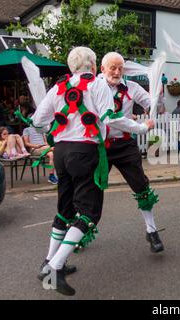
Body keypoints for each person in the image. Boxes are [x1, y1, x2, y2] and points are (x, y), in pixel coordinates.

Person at [33, 47, 146, 296]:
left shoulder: (58, 88)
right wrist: (139, 127)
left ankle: (48, 263)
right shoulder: (97, 85)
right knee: (89, 212)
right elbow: (110, 118)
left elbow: (38, 122)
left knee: (65, 209)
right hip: (84, 153)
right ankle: (54, 267)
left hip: (61, 153)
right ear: (94, 66)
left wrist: (62, 126)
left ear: (71, 67)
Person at [100, 52, 164, 253]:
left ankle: (151, 230)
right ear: (103, 69)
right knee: (90, 188)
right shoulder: (94, 86)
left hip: (125, 145)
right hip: (99, 145)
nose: (117, 72)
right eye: (113, 67)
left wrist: (157, 97)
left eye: (120, 68)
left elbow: (158, 108)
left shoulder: (132, 88)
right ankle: (79, 229)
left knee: (141, 186)